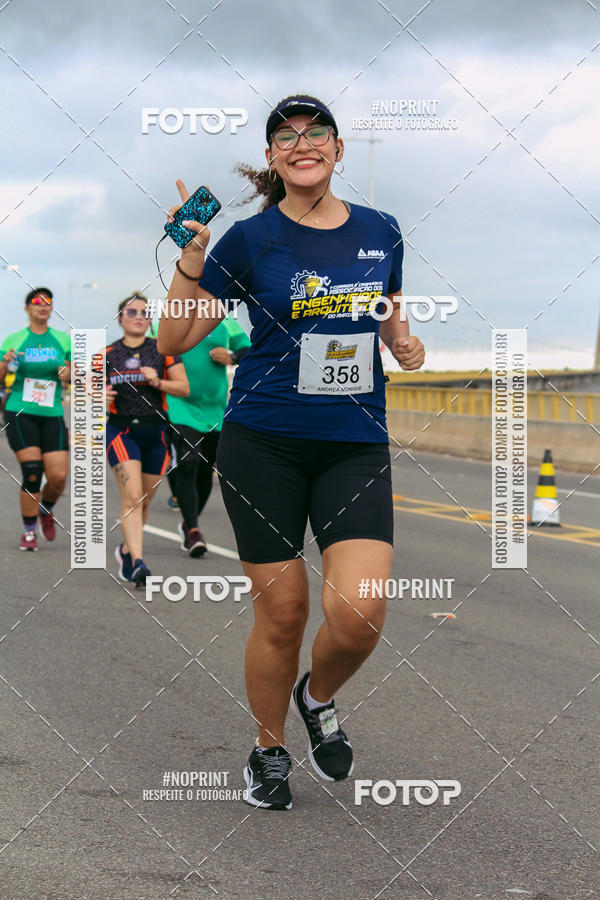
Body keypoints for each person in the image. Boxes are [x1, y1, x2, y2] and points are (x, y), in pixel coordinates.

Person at [158, 94, 425, 810]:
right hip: (263, 445)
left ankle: (318, 696)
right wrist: (192, 256)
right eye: (286, 136)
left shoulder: (381, 230)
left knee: (360, 612)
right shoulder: (250, 240)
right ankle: (268, 748)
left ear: (337, 149)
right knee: (282, 614)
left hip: (353, 445)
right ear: (273, 158)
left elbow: (388, 303)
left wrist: (403, 341)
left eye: (316, 133)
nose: (302, 143)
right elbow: (173, 341)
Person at [102, 293, 189, 587]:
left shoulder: (162, 351)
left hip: (156, 432)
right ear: (120, 319)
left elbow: (184, 388)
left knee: (145, 499)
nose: (139, 316)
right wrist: (97, 394)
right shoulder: (107, 354)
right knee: (132, 497)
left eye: (144, 312)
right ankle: (139, 562)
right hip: (121, 431)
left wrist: (157, 381)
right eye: (131, 312)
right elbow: (86, 387)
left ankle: (127, 550)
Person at [166, 316, 250, 556]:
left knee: (204, 470)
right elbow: (152, 351)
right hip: (179, 406)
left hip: (215, 410)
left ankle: (188, 523)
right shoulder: (169, 320)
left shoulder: (226, 322)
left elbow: (248, 351)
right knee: (189, 464)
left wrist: (232, 356)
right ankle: (194, 530)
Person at [0, 288, 71, 551]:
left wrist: (67, 373)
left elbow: (73, 374)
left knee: (58, 477)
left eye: (48, 302)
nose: (43, 306)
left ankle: (45, 509)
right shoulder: (14, 339)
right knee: (32, 472)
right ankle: (29, 532)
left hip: (52, 414)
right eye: (37, 302)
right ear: (27, 308)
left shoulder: (63, 340)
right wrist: (5, 362)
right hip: (20, 411)